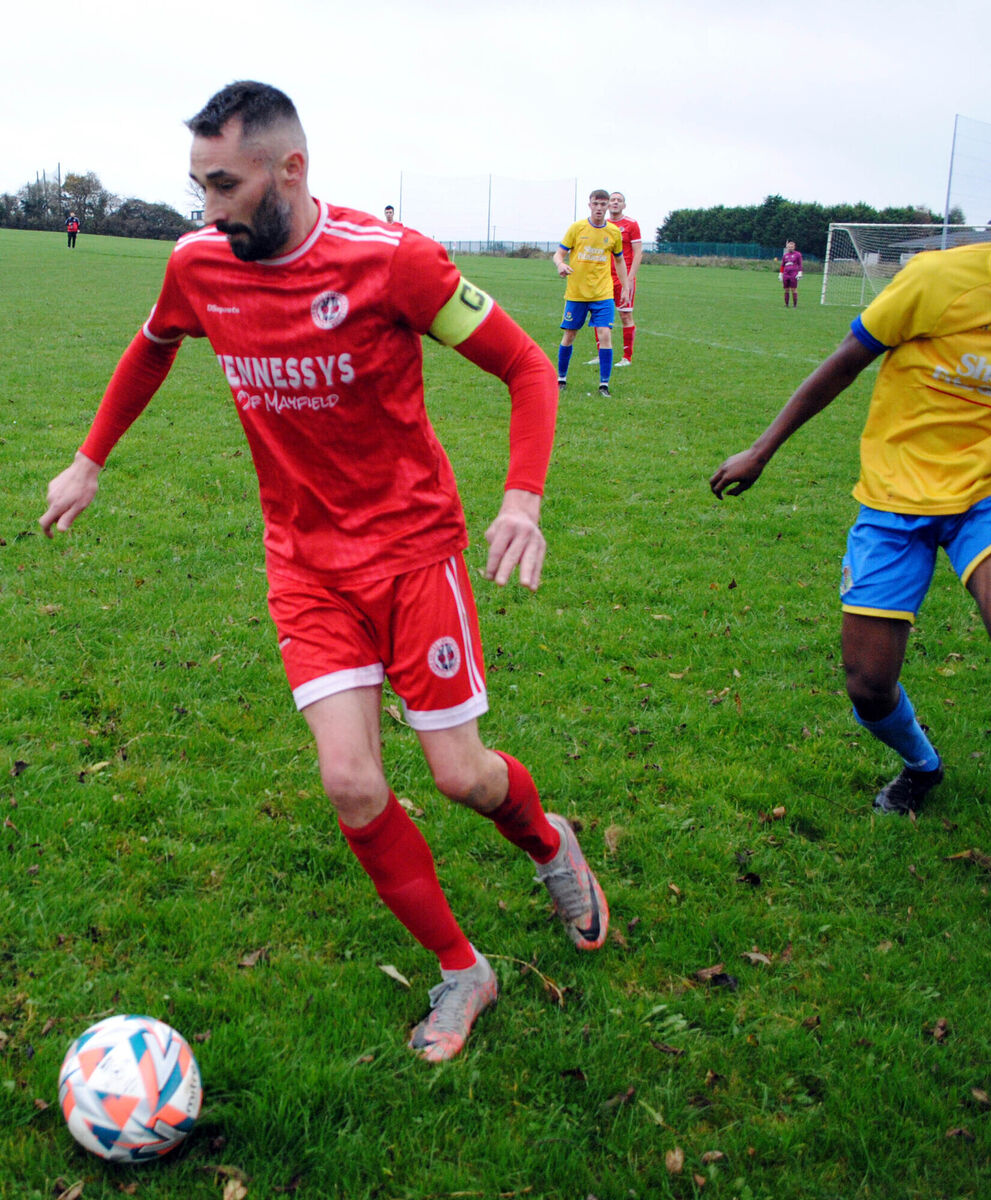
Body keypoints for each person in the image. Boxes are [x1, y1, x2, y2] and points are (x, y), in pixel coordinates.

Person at [39, 81, 610, 1062]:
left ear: (289, 170)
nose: (208, 211)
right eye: (197, 187)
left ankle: (549, 843)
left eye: (223, 186)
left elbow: (524, 365)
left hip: (410, 556)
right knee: (350, 781)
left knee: (459, 774)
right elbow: (152, 347)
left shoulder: (394, 264)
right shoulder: (198, 266)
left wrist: (521, 498)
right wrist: (90, 462)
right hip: (303, 563)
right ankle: (462, 969)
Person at [710, 129, 991, 922]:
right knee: (867, 688)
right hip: (891, 499)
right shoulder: (933, 279)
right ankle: (922, 767)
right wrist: (761, 450)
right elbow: (843, 362)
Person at [553, 189, 630, 397]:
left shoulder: (613, 232)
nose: (599, 208)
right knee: (570, 335)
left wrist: (626, 286)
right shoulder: (577, 228)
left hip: (603, 294)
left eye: (603, 204)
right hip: (577, 293)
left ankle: (604, 384)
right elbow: (558, 254)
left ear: (608, 207)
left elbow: (620, 260)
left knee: (605, 333)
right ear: (590, 205)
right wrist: (560, 264)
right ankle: (561, 378)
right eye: (595, 204)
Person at [590, 192, 642, 367]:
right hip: (603, 278)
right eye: (612, 200)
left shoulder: (631, 224)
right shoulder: (601, 225)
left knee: (625, 315)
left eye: (619, 200)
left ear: (624, 205)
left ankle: (627, 357)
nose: (615, 203)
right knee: (600, 314)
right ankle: (600, 355)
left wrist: (630, 278)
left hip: (623, 278)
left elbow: (637, 253)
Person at [779, 239, 803, 307]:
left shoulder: (798, 254)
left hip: (793, 274)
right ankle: (786, 304)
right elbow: (782, 265)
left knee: (793, 289)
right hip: (786, 274)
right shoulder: (785, 255)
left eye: (791, 247)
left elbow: (800, 264)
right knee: (786, 289)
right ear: (787, 247)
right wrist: (780, 274)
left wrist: (800, 273)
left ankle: (795, 305)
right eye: (789, 247)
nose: (790, 248)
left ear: (794, 247)